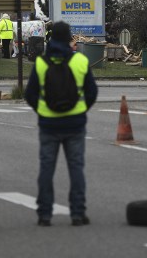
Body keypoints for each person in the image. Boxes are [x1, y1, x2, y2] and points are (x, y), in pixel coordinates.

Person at [25, 21, 98, 227]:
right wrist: (81, 110)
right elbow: (92, 92)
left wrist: (42, 111)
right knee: (76, 169)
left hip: (48, 125)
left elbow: (30, 94)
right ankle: (77, 213)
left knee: (46, 169)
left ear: (50, 38)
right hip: (75, 125)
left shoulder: (40, 63)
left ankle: (45, 214)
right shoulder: (80, 61)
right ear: (69, 39)